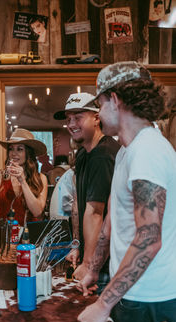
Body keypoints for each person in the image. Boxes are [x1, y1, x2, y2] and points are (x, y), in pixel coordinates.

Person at [76, 61, 176, 322]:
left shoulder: (149, 151)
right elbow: (114, 225)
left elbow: (148, 239)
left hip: (146, 301)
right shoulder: (126, 153)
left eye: (99, 104)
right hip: (129, 296)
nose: (99, 115)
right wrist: (90, 268)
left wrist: (103, 303)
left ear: (115, 100)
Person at [54, 92, 120, 293]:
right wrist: (77, 245)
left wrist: (90, 264)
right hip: (91, 255)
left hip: (107, 262)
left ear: (97, 118)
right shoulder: (84, 153)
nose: (71, 124)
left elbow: (96, 212)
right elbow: (77, 204)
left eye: (78, 117)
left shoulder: (104, 154)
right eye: (68, 119)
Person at [0, 128, 48, 226]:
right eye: (11, 149)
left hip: (31, 237)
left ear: (29, 153)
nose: (13, 153)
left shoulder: (40, 178)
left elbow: (37, 212)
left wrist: (22, 181)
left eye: (19, 149)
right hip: (6, 237)